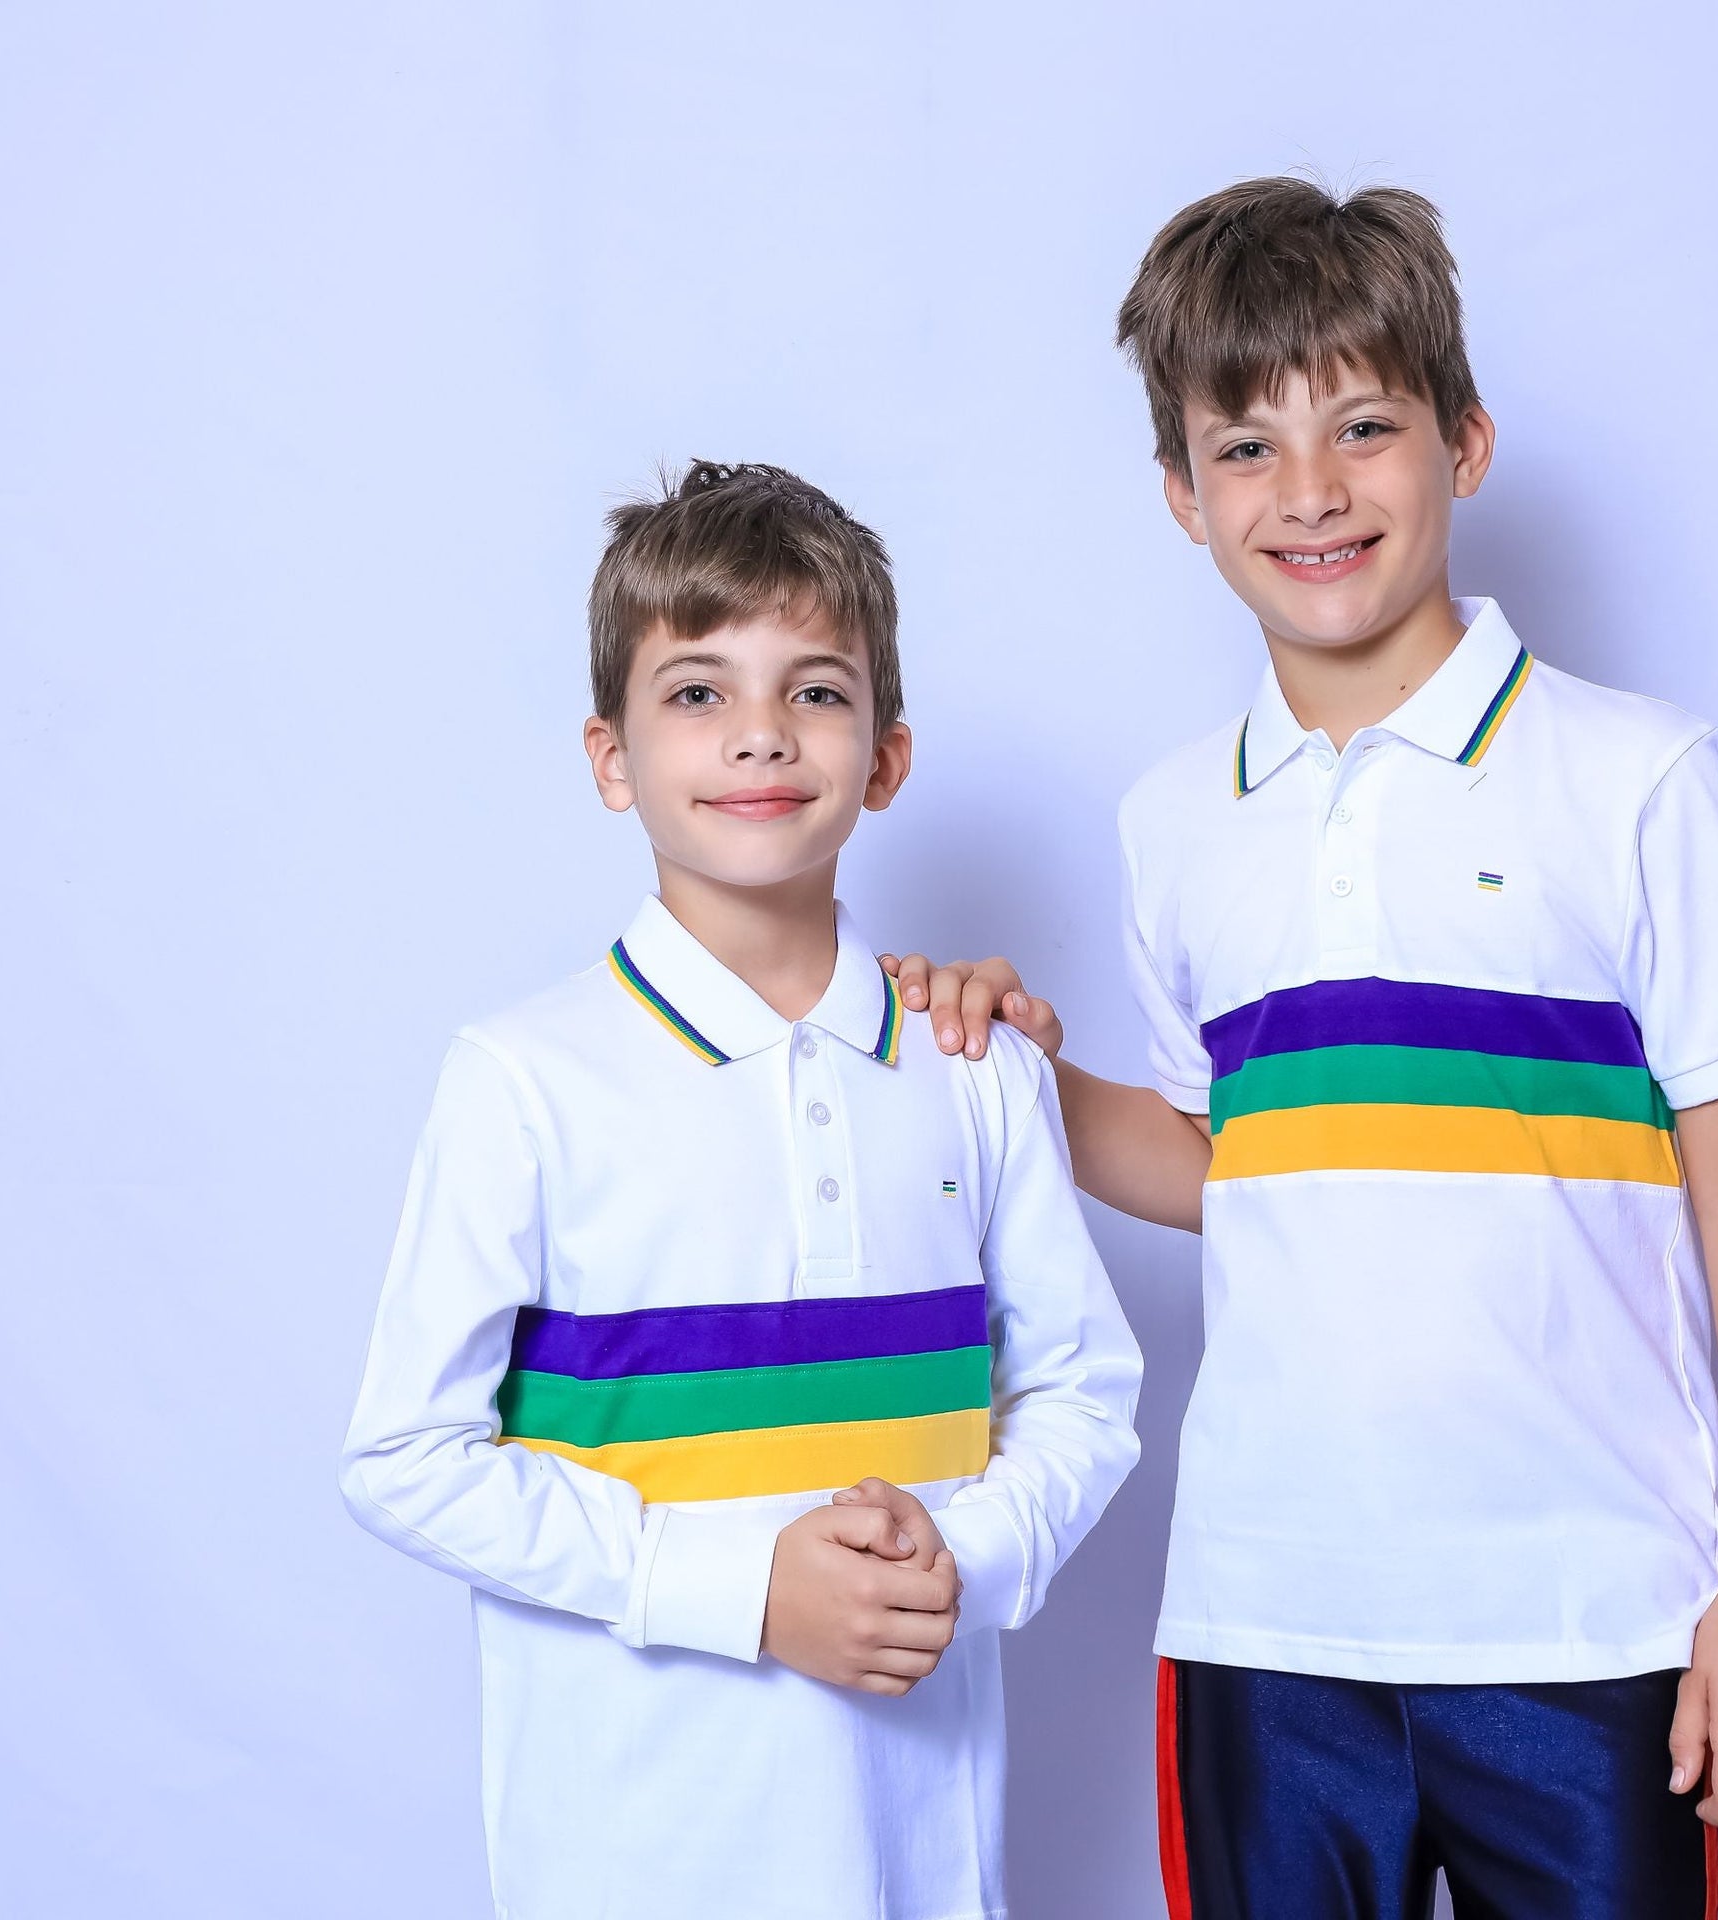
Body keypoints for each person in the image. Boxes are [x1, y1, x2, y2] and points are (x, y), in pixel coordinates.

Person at [891, 179, 1718, 1919]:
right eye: (1246, 447)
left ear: (1464, 442)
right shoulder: (1178, 820)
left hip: (1590, 1623)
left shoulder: (1634, 778)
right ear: (1182, 496)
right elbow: (1234, 1158)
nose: (1310, 490)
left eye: (1365, 427)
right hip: (1267, 1626)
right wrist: (1013, 1067)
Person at [339, 461, 1141, 1920]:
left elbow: (1085, 1392)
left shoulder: (976, 1068)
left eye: (815, 691)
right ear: (612, 757)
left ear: (886, 758)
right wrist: (748, 1590)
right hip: (629, 1853)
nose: (760, 732)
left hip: (921, 1859)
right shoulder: (523, 1079)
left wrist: (955, 1561)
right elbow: (406, 1457)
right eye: (698, 692)